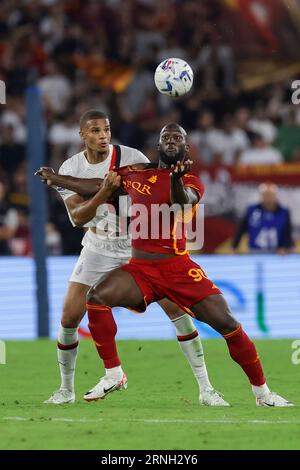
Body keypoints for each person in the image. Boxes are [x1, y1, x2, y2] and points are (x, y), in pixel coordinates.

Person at [49, 122, 292, 407]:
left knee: (228, 325)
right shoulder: (137, 173)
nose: (171, 140)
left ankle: (262, 393)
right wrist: (59, 179)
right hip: (140, 269)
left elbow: (181, 202)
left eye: (178, 137)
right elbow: (97, 187)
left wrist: (176, 178)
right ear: (159, 145)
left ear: (186, 148)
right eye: (166, 137)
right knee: (97, 297)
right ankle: (114, 373)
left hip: (178, 269)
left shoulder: (191, 181)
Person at [36, 110, 228, 406]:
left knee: (177, 313)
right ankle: (66, 390)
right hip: (98, 246)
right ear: (83, 136)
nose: (103, 136)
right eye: (96, 131)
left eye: (107, 130)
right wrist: (103, 192)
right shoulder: (70, 167)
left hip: (135, 246)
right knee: (69, 317)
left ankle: (207, 388)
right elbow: (77, 217)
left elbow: (157, 187)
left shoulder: (130, 156)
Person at [232, 182, 293, 254]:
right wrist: (234, 247)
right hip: (255, 251)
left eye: (270, 195)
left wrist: (286, 247)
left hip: (277, 252)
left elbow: (287, 232)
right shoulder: (252, 210)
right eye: (266, 195)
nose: (268, 198)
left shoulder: (284, 212)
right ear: (261, 196)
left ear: (275, 196)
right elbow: (241, 229)